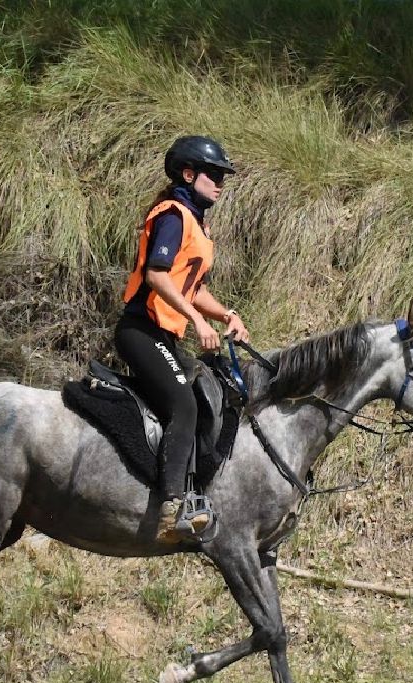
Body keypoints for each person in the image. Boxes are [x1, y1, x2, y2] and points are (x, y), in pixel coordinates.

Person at [115, 135, 249, 543]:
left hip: (163, 335)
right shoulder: (173, 214)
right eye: (214, 175)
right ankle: (172, 508)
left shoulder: (196, 223)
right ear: (189, 175)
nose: (220, 183)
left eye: (223, 176)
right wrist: (197, 322)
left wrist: (226, 314)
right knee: (185, 406)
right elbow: (157, 275)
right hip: (142, 330)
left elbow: (192, 288)